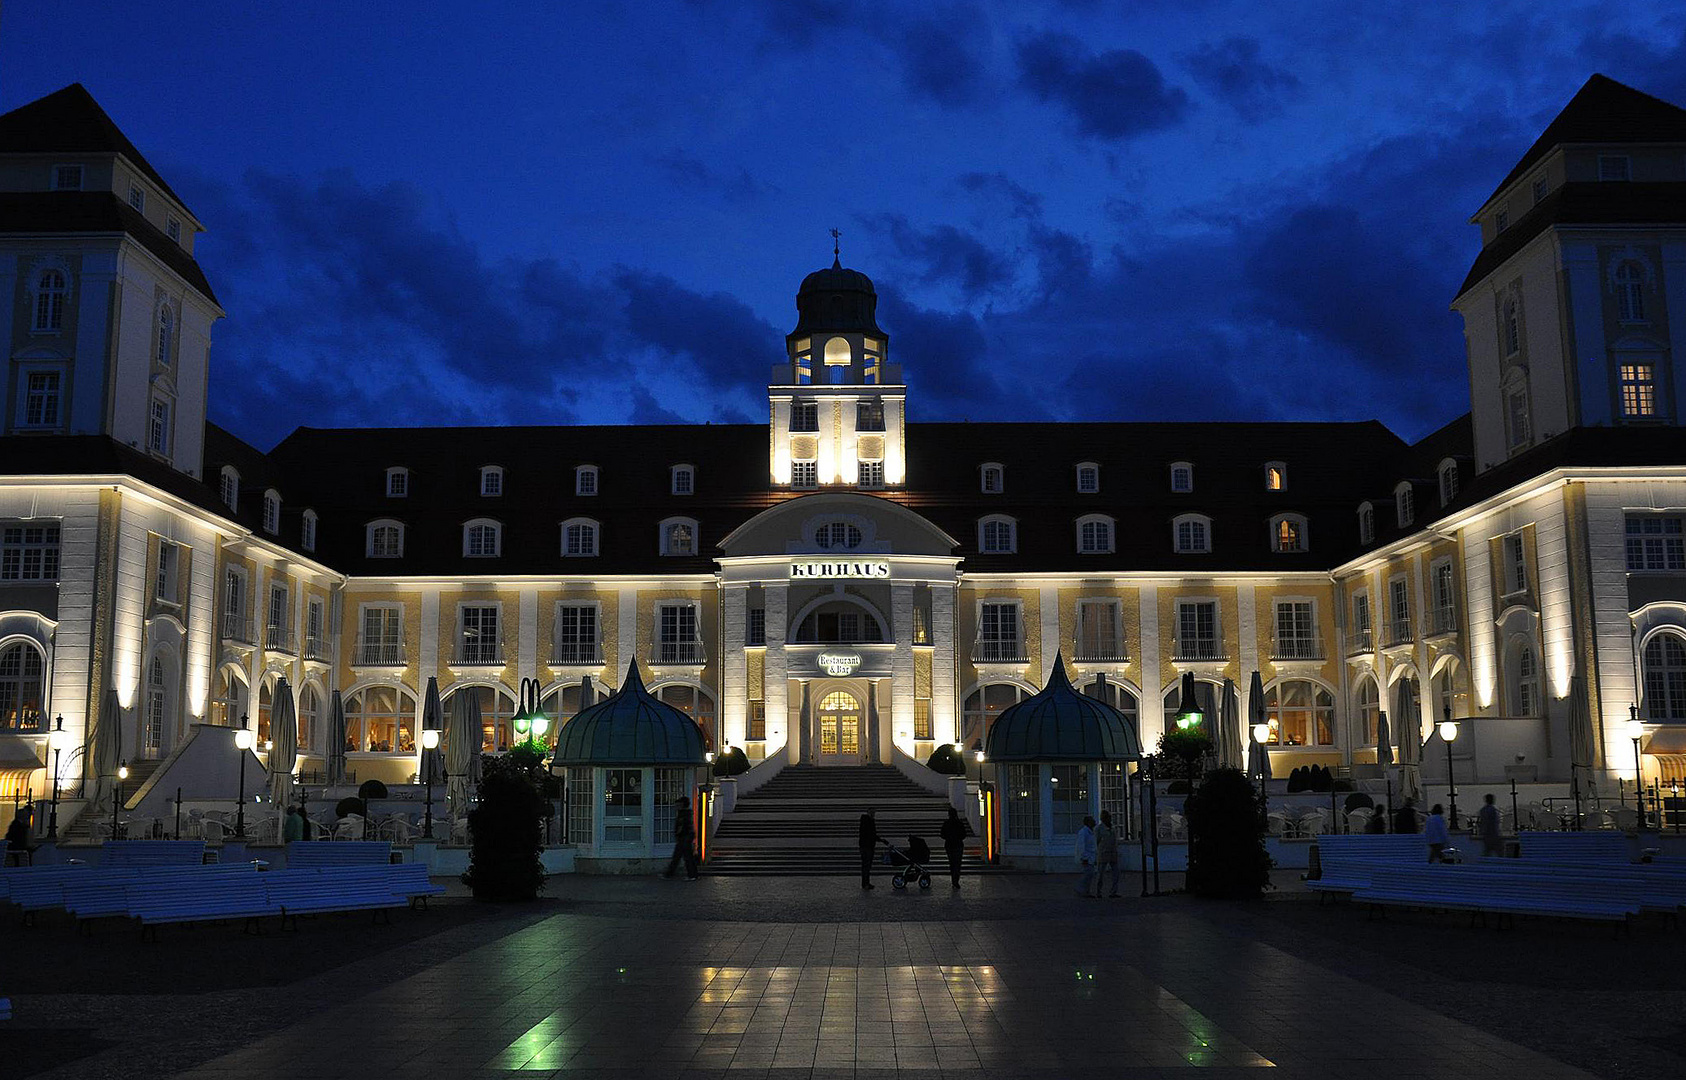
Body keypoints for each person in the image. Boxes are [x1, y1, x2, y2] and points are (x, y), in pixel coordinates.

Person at [665, 796, 699, 880]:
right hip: (686, 836)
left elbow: (681, 826)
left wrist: (678, 834)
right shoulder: (687, 814)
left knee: (682, 857)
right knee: (684, 856)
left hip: (684, 837)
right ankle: (692, 874)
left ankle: (671, 874)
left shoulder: (682, 814)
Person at [939, 806, 967, 889]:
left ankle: (953, 880)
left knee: (952, 863)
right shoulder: (959, 823)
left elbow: (942, 834)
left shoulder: (946, 823)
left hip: (949, 845)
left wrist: (949, 837)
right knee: (957, 864)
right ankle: (956, 880)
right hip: (958, 845)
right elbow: (964, 834)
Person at [1095, 810, 1120, 897]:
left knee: (1116, 874)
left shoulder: (1113, 828)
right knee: (1100, 874)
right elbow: (1096, 842)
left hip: (1113, 852)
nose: (1109, 819)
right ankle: (1098, 892)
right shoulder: (1098, 829)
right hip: (1103, 853)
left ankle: (1113, 892)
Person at [859, 808, 883, 889]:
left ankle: (865, 883)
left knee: (865, 866)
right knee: (867, 866)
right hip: (868, 847)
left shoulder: (864, 821)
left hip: (864, 846)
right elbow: (871, 834)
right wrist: (879, 839)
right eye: (873, 813)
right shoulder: (869, 821)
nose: (874, 815)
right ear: (870, 813)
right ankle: (865, 884)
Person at [1074, 815, 1097, 896]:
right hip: (1087, 857)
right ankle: (1081, 889)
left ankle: (1085, 891)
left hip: (1091, 857)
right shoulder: (1083, 832)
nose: (1095, 822)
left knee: (1089, 875)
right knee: (1088, 874)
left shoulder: (1091, 832)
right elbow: (1081, 846)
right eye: (1092, 820)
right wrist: (1084, 857)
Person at [1477, 792, 1503, 857]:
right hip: (1493, 833)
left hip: (1487, 834)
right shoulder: (1493, 810)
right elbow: (1493, 822)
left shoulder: (1483, 810)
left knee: (1488, 850)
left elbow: (1482, 822)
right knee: (1499, 851)